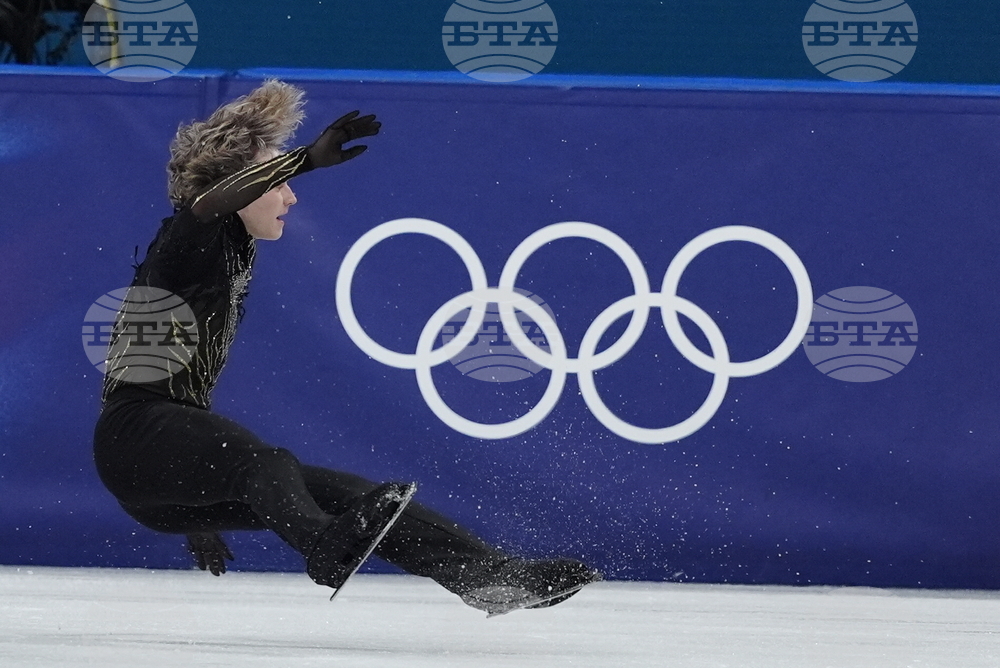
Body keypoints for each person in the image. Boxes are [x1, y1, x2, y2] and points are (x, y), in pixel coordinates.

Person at [92, 79, 601, 614]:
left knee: (345, 492)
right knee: (267, 465)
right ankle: (319, 546)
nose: (290, 194)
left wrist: (200, 511)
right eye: (277, 180)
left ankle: (489, 576)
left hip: (156, 471)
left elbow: (184, 414)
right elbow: (205, 202)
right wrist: (304, 159)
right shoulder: (187, 238)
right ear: (241, 184)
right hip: (135, 436)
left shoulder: (227, 249)